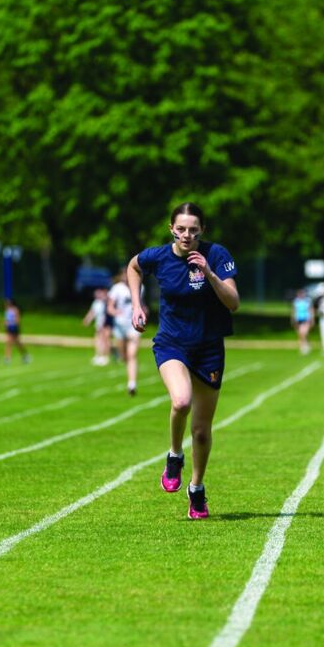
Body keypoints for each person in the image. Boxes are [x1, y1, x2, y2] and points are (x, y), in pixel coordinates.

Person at [126, 201, 240, 520]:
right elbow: (133, 267)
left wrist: (208, 273)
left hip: (209, 348)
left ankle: (197, 489)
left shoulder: (217, 255)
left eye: (193, 229)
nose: (187, 235)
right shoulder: (159, 256)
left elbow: (233, 302)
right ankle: (175, 455)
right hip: (172, 343)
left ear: (202, 230)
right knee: (181, 401)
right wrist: (136, 304)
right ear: (171, 229)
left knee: (201, 431)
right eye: (181, 229)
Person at [109, 279, 138, 394]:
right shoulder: (117, 288)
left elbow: (141, 304)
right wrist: (116, 313)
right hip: (120, 325)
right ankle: (120, 356)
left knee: (132, 355)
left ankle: (132, 384)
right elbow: (110, 307)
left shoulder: (140, 286)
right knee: (124, 356)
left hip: (133, 325)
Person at [81, 287, 110, 366]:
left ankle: (105, 357)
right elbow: (92, 312)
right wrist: (87, 320)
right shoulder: (96, 302)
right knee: (97, 340)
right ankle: (98, 355)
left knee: (105, 340)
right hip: (98, 324)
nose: (97, 294)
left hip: (105, 324)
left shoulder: (105, 302)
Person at [2, 298, 29, 364]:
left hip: (14, 327)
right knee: (8, 342)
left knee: (17, 342)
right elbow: (6, 319)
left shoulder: (15, 309)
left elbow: (17, 319)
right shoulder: (7, 310)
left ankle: (25, 355)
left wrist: (13, 324)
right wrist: (5, 324)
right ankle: (7, 358)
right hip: (9, 328)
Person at [291, 287, 313, 355]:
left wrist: (312, 319)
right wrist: (293, 319)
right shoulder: (296, 301)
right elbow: (294, 310)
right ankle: (303, 347)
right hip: (298, 319)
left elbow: (310, 310)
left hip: (306, 319)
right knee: (300, 334)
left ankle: (306, 346)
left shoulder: (307, 301)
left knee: (305, 333)